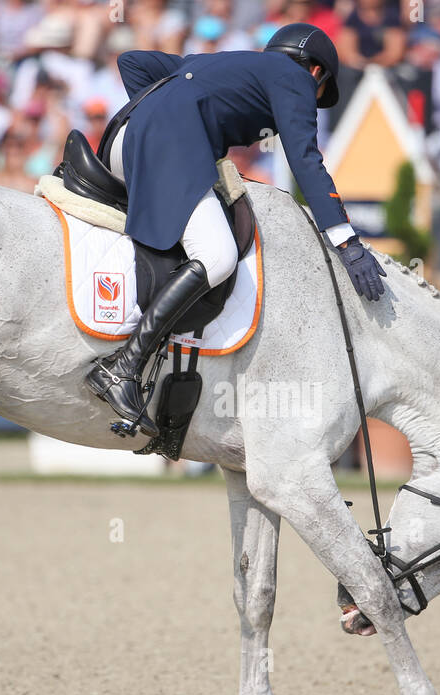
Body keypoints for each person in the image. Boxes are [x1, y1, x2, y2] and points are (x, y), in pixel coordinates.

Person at [83, 23, 386, 437]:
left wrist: (157, 113)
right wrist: (345, 240)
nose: (310, 102)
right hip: (164, 145)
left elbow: (132, 62)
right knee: (219, 255)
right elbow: (305, 160)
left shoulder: (217, 63)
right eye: (318, 95)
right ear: (316, 73)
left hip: (118, 142)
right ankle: (123, 368)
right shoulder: (294, 78)